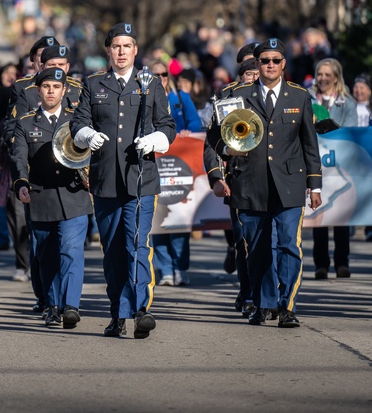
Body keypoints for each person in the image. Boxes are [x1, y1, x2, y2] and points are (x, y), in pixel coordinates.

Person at [207, 38, 322, 328]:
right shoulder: (236, 96)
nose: (270, 65)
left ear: (284, 64)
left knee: (288, 247)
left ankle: (287, 306)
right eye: (264, 60)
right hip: (250, 183)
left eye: (275, 60)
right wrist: (226, 151)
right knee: (256, 249)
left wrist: (315, 185)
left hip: (290, 183)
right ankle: (263, 303)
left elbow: (310, 143)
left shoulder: (299, 96)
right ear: (256, 64)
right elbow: (214, 139)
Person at [71, 22, 176, 338]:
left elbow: (167, 125)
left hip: (140, 179)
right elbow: (78, 121)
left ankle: (142, 309)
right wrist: (87, 135)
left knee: (137, 245)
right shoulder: (94, 84)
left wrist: (156, 139)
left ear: (135, 50)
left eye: (127, 45)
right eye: (116, 46)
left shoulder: (150, 84)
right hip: (105, 180)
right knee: (114, 250)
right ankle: (118, 313)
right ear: (108, 50)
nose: (121, 51)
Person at [11, 68, 92, 328]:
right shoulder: (25, 123)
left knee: (71, 251)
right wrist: (21, 182)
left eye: (56, 87)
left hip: (74, 196)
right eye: (46, 86)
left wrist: (92, 175)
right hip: (41, 197)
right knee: (46, 256)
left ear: (64, 91)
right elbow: (18, 157)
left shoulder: (77, 121)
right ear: (38, 91)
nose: (50, 91)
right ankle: (53, 305)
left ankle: (70, 306)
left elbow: (93, 151)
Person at [205, 48, 259, 317]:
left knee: (270, 241)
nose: (254, 77)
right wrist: (216, 176)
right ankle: (248, 294)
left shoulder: (279, 94)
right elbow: (212, 142)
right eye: (250, 72)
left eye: (258, 72)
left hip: (270, 177)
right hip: (239, 176)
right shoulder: (227, 97)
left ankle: (268, 294)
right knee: (244, 241)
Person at [150, 60, 203, 287]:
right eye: (155, 75)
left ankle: (180, 267)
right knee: (158, 219)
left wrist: (187, 132)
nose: (160, 78)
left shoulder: (181, 98)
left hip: (180, 165)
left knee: (180, 219)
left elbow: (196, 123)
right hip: (155, 165)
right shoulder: (143, 98)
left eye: (163, 74)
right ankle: (165, 270)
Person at [307, 58, 358, 279]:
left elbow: (353, 131)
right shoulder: (307, 99)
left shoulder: (347, 102)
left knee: (340, 216)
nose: (323, 78)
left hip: (340, 165)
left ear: (336, 77)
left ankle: (342, 262)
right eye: (320, 74)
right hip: (317, 164)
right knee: (318, 213)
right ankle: (320, 264)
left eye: (328, 74)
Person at [351, 74, 372, 242]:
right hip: (352, 158)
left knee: (371, 195)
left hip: (371, 158)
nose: (359, 91)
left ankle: (371, 230)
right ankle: (350, 226)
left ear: (369, 90)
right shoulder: (348, 106)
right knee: (351, 193)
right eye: (356, 87)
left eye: (363, 87)